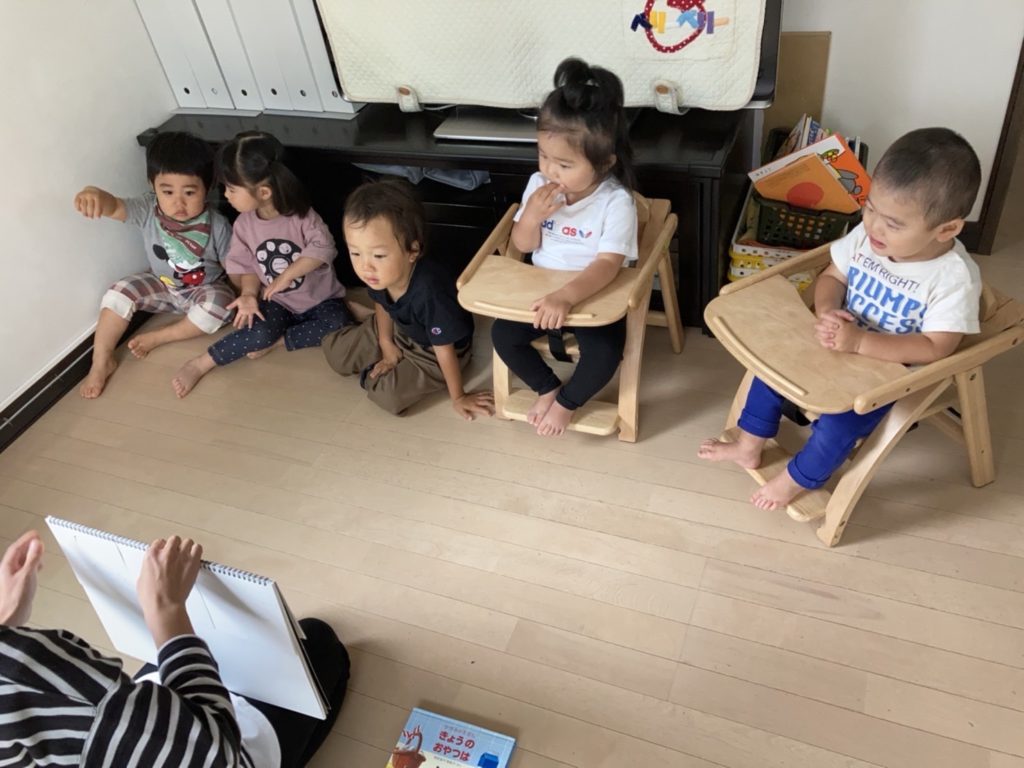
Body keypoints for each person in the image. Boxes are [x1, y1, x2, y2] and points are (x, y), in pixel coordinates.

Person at [699, 127, 984, 510]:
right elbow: (832, 277)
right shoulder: (867, 238)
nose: (874, 226)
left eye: (894, 224)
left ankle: (797, 479)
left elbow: (938, 347)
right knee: (771, 372)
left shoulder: (952, 279)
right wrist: (826, 309)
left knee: (838, 425)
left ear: (947, 229)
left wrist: (861, 343)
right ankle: (749, 445)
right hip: (838, 340)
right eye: (870, 208)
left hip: (888, 372)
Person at [0, 529, 349, 767]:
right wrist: (166, 610)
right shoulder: (48, 683)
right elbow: (216, 748)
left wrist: (7, 622)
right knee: (318, 642)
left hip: (137, 738)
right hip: (212, 751)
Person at [490, 57, 638, 437]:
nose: (550, 170)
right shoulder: (539, 185)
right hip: (541, 285)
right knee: (502, 335)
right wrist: (531, 217)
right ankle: (548, 388)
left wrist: (567, 297)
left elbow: (608, 265)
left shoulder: (615, 202)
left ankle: (568, 403)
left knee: (605, 353)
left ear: (604, 162)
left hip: (591, 290)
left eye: (564, 164)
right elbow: (522, 245)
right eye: (543, 155)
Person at [172, 131, 352, 398]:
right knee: (257, 333)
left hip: (320, 299)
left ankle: (280, 342)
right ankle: (202, 362)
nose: (226, 195)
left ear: (264, 192)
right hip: (277, 302)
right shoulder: (244, 225)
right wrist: (248, 294)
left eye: (232, 189)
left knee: (339, 323)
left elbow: (324, 248)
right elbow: (244, 265)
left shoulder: (303, 217)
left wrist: (287, 275)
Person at [74, 131, 236, 399]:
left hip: (204, 289)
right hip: (162, 286)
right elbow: (113, 206)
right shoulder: (147, 209)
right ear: (153, 186)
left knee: (220, 304)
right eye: (167, 191)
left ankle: (161, 336)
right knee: (116, 293)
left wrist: (245, 295)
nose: (178, 202)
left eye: (189, 192)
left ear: (208, 187)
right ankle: (101, 361)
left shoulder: (217, 224)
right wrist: (94, 193)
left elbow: (235, 267)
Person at [321, 179, 494, 419]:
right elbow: (382, 303)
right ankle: (384, 358)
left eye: (378, 255)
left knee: (386, 395)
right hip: (401, 327)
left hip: (435, 349)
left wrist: (459, 397)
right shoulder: (377, 273)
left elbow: (444, 349)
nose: (365, 266)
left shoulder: (431, 290)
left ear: (413, 251)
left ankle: (379, 372)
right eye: (355, 253)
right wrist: (386, 343)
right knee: (335, 353)